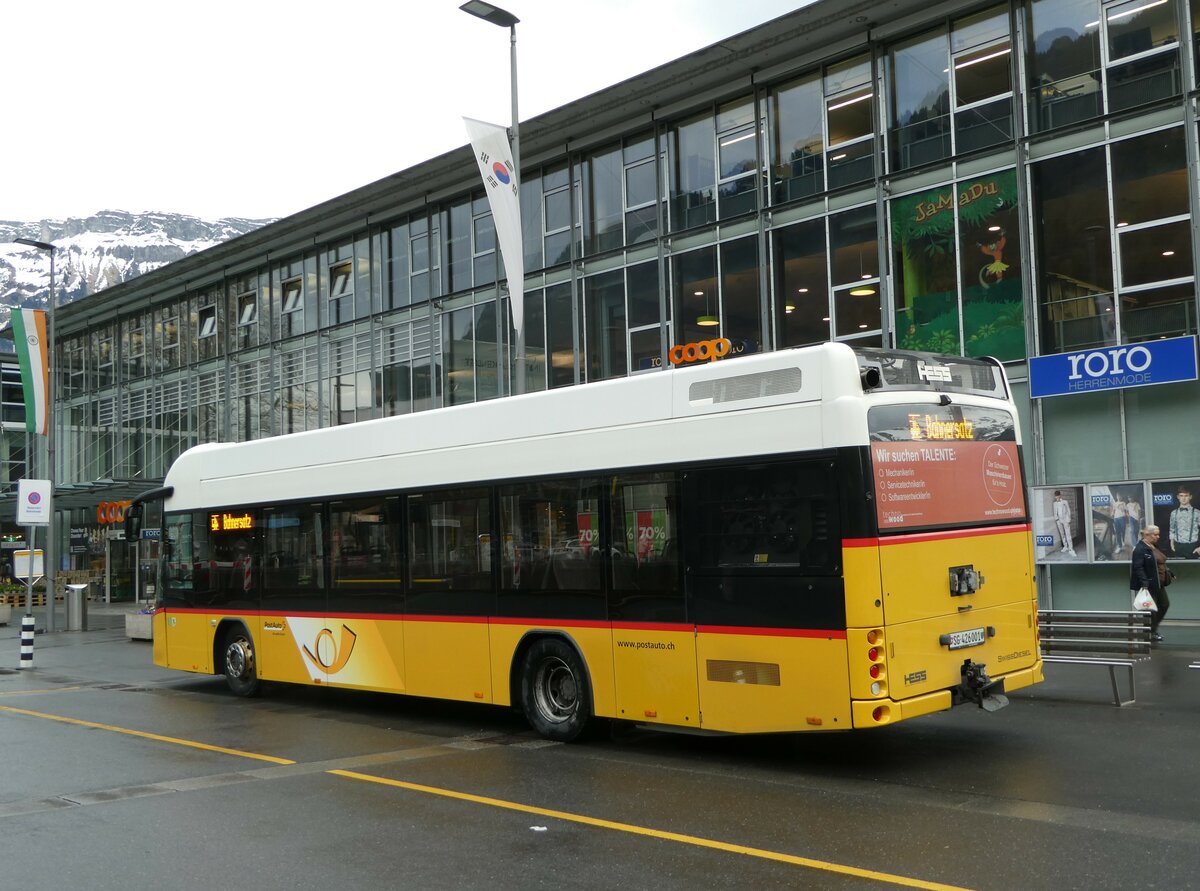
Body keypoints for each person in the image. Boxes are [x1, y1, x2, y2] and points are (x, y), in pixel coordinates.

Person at [1130, 525, 1166, 642]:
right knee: (1150, 610)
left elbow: (1159, 561)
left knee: (1164, 604)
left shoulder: (1153, 546)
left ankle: (1152, 629)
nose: (1158, 537)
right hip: (1149, 585)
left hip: (1159, 583)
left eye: (1158, 534)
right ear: (1146, 535)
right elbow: (1138, 567)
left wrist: (1168, 572)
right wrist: (1144, 582)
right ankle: (1150, 633)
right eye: (1155, 534)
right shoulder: (1140, 549)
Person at [1168, 486, 1200, 559]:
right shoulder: (1173, 513)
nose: (1183, 498)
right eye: (1181, 496)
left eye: (1186, 496)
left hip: (1192, 546)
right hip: (1178, 546)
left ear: (1190, 497)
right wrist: (1172, 544)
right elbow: (1172, 529)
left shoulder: (1197, 513)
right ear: (1178, 497)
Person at [1052, 490, 1075, 556]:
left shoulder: (1065, 502)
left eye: (1057, 496)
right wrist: (1056, 520)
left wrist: (1069, 518)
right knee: (1062, 534)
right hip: (1059, 520)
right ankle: (1065, 546)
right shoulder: (1054, 503)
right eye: (1055, 497)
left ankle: (1071, 548)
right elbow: (1054, 512)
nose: (1056, 498)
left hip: (1065, 520)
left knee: (1068, 534)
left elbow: (1068, 510)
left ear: (1060, 495)